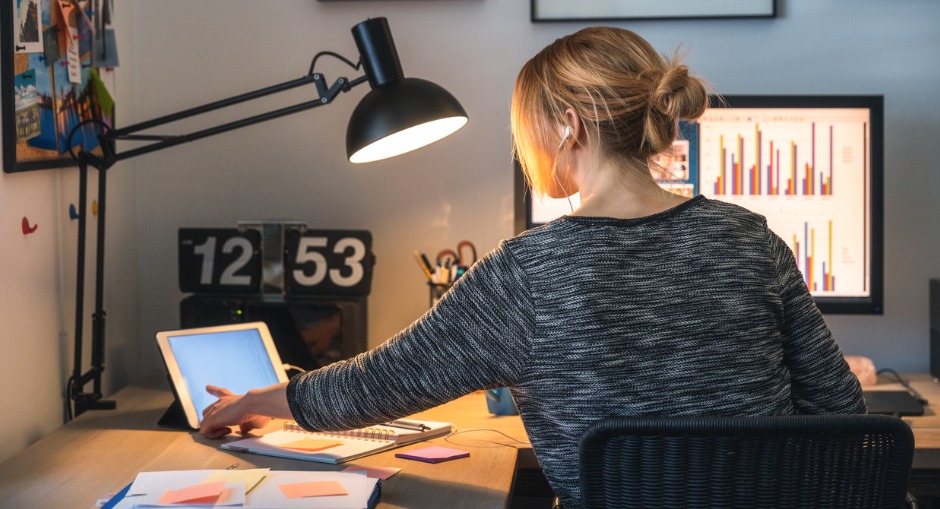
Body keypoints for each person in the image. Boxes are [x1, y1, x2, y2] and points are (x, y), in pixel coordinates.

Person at [200, 26, 865, 508]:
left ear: (568, 126)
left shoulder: (530, 272)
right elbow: (842, 408)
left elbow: (374, 386)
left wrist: (262, 400)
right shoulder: (751, 238)